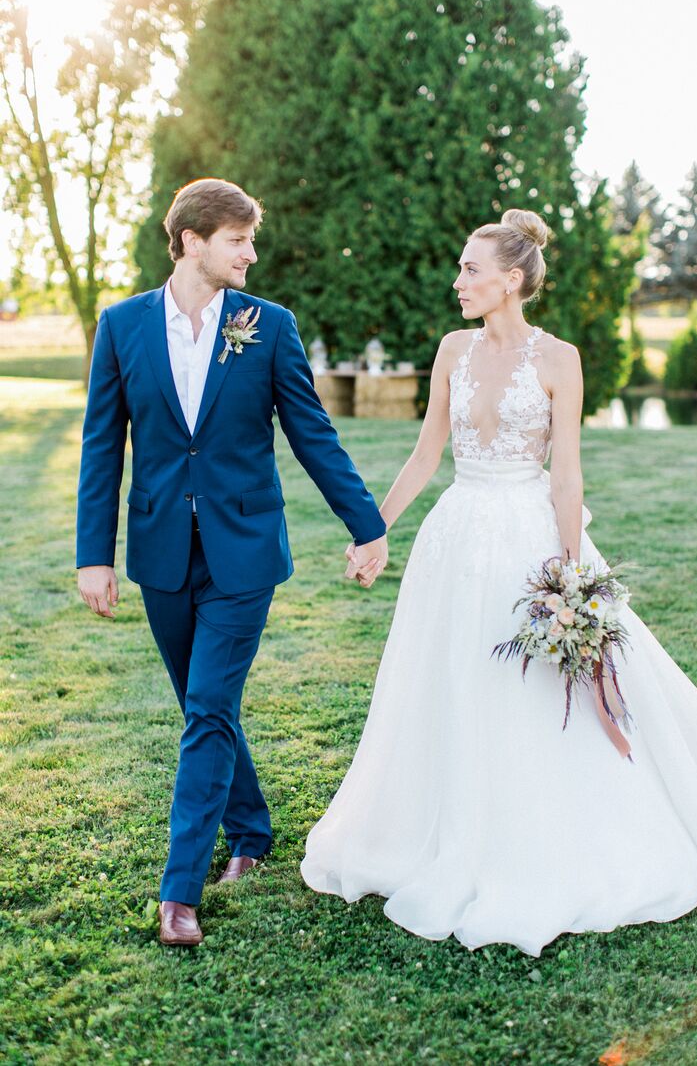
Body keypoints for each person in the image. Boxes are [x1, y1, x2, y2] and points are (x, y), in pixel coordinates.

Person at [301, 208, 697, 957]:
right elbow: (426, 450)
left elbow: (565, 473)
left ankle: (549, 828)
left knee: (538, 688)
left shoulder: (558, 358)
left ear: (511, 279)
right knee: (452, 680)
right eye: (461, 268)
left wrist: (569, 575)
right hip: (456, 534)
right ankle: (447, 822)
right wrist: (376, 529)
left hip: (531, 536)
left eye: (470, 269)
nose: (457, 280)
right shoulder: (451, 349)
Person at [76, 178, 387, 946]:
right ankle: (249, 827)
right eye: (237, 239)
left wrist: (367, 525)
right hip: (159, 552)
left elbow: (312, 435)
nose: (251, 252)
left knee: (209, 706)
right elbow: (99, 446)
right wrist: (95, 556)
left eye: (251, 239)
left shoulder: (268, 326)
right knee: (202, 706)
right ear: (190, 240)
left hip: (244, 552)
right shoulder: (121, 326)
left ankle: (179, 893)